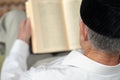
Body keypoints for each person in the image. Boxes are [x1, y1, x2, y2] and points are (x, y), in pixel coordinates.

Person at [1, 0, 120, 80]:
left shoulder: (44, 76)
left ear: (84, 32)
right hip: (69, 59)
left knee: (15, 17)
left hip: (39, 63)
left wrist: (21, 42)